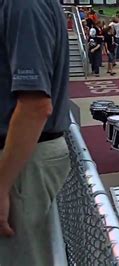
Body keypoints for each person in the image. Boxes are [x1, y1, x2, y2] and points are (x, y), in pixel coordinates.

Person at [0, 1, 71, 265]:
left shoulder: (24, 4)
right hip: (20, 156)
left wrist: (2, 185)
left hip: (21, 157)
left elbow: (34, 105)